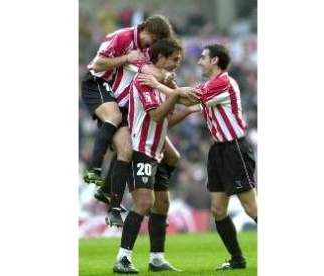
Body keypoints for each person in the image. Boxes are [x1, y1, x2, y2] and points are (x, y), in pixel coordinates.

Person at [139, 44, 258, 271]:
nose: (199, 61)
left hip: (235, 150)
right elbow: (188, 98)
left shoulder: (223, 82)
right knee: (217, 210)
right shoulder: (211, 85)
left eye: (203, 57)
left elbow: (188, 100)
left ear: (214, 61)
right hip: (218, 152)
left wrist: (157, 85)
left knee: (251, 207)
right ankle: (237, 259)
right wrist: (172, 85)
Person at [81, 15, 197, 227]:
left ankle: (119, 192)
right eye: (173, 60)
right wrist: (172, 87)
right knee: (124, 144)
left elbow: (166, 106)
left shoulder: (147, 58)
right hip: (102, 89)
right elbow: (97, 64)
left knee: (171, 155)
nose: (150, 46)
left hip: (125, 107)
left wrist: (179, 91)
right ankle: (100, 177)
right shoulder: (125, 39)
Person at [112, 38, 199, 274]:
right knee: (144, 202)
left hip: (156, 150)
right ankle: (122, 259)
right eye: (174, 60)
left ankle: (157, 259)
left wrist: (188, 110)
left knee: (162, 203)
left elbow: (168, 118)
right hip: (141, 149)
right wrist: (174, 92)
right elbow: (158, 115)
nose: (177, 65)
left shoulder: (162, 80)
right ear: (160, 58)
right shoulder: (143, 80)